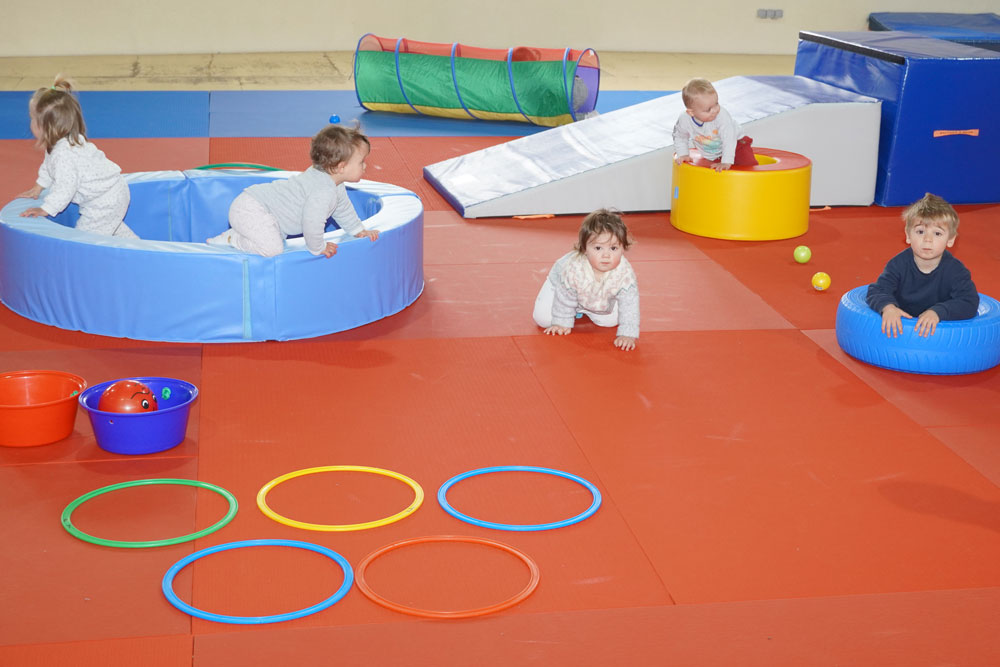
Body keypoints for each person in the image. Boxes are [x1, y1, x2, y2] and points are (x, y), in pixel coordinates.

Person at [206, 124, 379, 257]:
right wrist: (318, 247)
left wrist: (358, 230)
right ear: (341, 167)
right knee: (273, 250)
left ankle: (240, 234)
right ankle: (233, 238)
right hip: (251, 208)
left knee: (275, 240)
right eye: (361, 162)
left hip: (262, 211)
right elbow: (312, 222)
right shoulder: (322, 191)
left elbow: (343, 209)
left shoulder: (333, 183)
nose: (365, 166)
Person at [17, 75, 137, 238]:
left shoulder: (64, 155)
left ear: (46, 126)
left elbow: (66, 188)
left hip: (105, 200)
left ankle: (131, 249)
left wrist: (46, 209)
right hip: (109, 193)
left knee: (85, 238)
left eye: (32, 118)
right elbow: (48, 166)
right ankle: (136, 245)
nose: (30, 122)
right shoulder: (61, 143)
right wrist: (39, 186)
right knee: (109, 227)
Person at [866, 193, 979, 338]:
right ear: (908, 235)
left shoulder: (956, 271)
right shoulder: (898, 264)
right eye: (920, 231)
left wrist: (938, 312)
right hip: (902, 328)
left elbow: (969, 302)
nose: (927, 239)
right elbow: (877, 290)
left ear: (950, 240)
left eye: (937, 233)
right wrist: (888, 308)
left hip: (940, 332)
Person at [533, 208, 639, 351]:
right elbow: (565, 296)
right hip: (561, 287)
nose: (606, 255)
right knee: (543, 319)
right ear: (584, 249)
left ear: (623, 248)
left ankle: (584, 308)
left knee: (611, 321)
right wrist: (562, 322)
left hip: (596, 293)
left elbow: (629, 303)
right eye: (598, 248)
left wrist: (627, 334)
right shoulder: (573, 268)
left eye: (613, 248)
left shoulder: (624, 272)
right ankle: (576, 307)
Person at [672, 77, 755, 172]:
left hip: (737, 143)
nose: (715, 110)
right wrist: (683, 154)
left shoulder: (722, 116)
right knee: (717, 172)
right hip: (712, 152)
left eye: (716, 103)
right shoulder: (684, 120)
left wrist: (726, 161)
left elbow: (729, 138)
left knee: (747, 165)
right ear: (691, 112)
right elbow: (680, 136)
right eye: (708, 109)